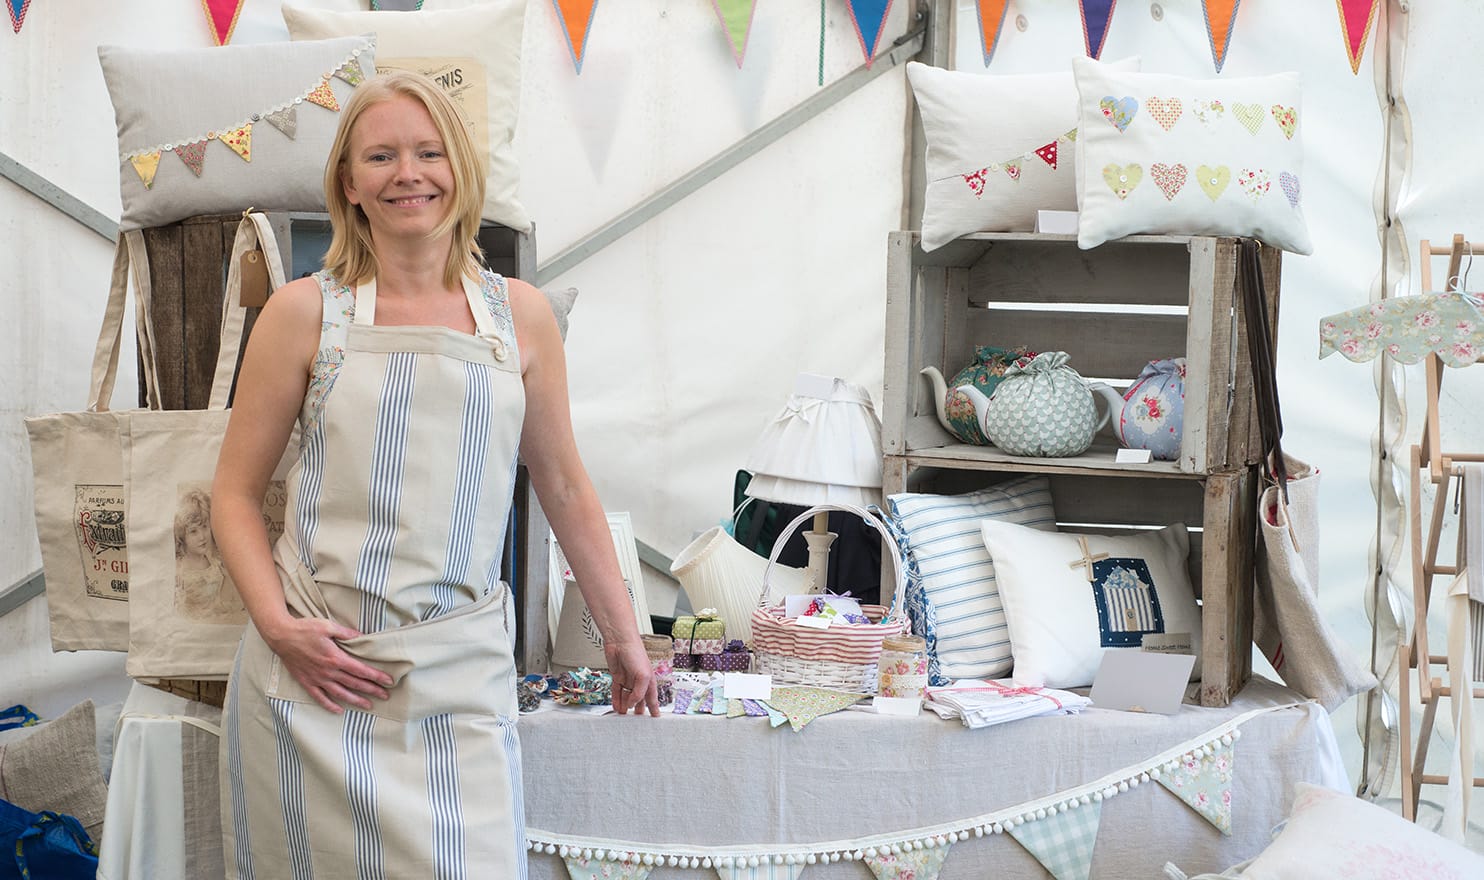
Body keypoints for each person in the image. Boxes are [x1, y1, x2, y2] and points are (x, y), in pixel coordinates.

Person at [212, 70, 657, 879]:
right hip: (317, 674)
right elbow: (234, 497)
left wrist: (624, 637)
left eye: (427, 152)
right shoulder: (304, 314)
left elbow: (562, 486)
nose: (407, 174)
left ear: (461, 168)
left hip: (460, 683)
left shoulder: (521, 316)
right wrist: (279, 628)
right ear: (348, 183)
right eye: (380, 156)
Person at [172, 487, 242, 621]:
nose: (202, 537)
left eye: (205, 527)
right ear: (182, 534)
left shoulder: (213, 560)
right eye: (193, 531)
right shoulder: (182, 571)